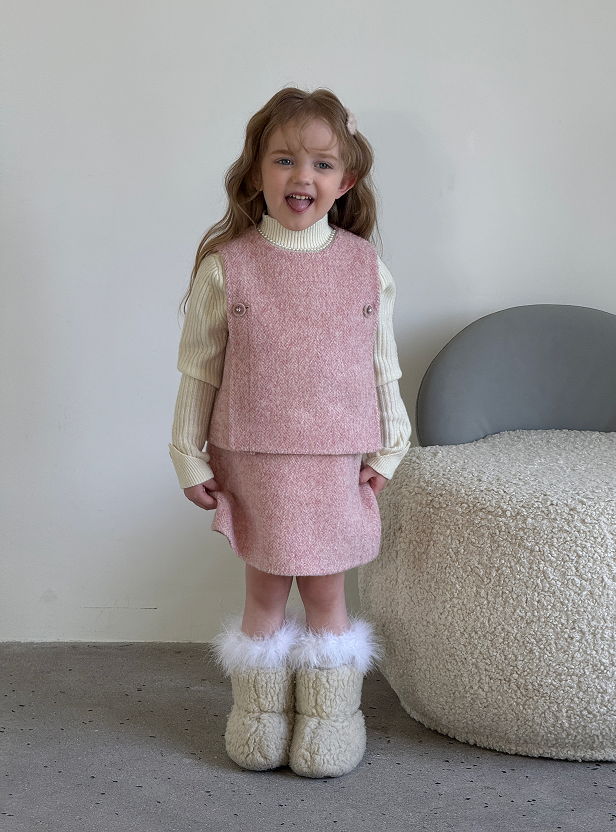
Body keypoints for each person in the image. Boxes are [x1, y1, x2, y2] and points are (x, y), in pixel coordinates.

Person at [170, 88, 411, 778]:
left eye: (321, 164)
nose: (302, 176)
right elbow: (199, 370)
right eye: (283, 159)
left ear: (346, 180)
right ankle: (259, 718)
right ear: (256, 172)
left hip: (334, 460)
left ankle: (331, 720)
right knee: (266, 591)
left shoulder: (364, 267)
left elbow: (381, 365)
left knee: (327, 593)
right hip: (256, 459)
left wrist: (390, 447)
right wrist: (187, 455)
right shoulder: (229, 266)